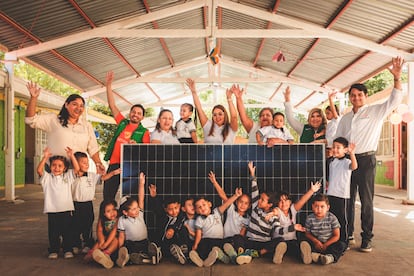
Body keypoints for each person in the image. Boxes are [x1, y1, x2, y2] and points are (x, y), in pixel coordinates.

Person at [335, 57, 404, 252]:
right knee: (346, 199)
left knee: (366, 201)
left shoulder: (375, 111)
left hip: (366, 160)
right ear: (349, 97)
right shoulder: (346, 118)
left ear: (365, 96)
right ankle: (347, 236)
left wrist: (397, 78)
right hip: (347, 162)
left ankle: (367, 238)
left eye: (359, 95)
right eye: (353, 95)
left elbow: (395, 99)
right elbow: (338, 139)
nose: (356, 98)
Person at [25, 82, 105, 174]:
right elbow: (30, 120)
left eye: (81, 106)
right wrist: (33, 98)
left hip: (78, 171)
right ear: (66, 105)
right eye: (74, 104)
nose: (78, 108)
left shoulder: (87, 126)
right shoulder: (53, 120)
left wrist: (98, 164)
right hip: (56, 170)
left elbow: (93, 148)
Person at [103, 71, 150, 201]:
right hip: (114, 165)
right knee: (108, 199)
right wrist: (108, 86)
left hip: (130, 167)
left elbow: (146, 152)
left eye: (139, 113)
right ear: (130, 113)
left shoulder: (145, 132)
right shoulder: (122, 123)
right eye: (133, 112)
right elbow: (112, 105)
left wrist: (137, 146)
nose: (135, 114)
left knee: (129, 201)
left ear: (142, 117)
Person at [71, 152, 121, 255]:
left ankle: (88, 243)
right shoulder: (73, 175)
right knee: (75, 225)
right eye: (83, 163)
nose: (87, 165)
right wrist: (72, 156)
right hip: (75, 204)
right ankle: (75, 244)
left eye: (87, 162)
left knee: (88, 224)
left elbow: (103, 177)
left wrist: (113, 173)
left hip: (88, 204)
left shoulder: (91, 175)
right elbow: (75, 169)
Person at [233, 162, 281, 265]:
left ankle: (257, 254)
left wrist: (293, 228)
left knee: (280, 240)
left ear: (269, 204)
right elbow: (254, 189)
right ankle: (241, 254)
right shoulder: (256, 207)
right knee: (237, 238)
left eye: (262, 200)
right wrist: (252, 174)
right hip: (250, 241)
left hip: (263, 244)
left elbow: (279, 230)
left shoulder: (273, 217)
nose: (259, 200)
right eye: (259, 198)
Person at [37, 146, 79, 260]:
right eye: (54, 165)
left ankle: (67, 249)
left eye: (60, 166)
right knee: (53, 233)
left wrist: (71, 156)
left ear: (65, 168)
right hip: (52, 210)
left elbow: (77, 169)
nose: (56, 168)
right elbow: (39, 170)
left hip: (65, 210)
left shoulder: (68, 177)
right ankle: (54, 250)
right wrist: (45, 157)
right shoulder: (47, 178)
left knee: (67, 232)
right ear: (50, 167)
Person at [116, 173, 162, 268]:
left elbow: (141, 198)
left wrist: (141, 184)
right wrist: (120, 248)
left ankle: (149, 256)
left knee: (150, 247)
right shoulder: (122, 220)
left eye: (137, 207)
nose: (137, 210)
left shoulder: (139, 214)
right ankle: (133, 258)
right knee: (130, 251)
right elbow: (121, 236)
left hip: (144, 242)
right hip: (131, 244)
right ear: (125, 212)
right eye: (133, 209)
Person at [269, 180, 321, 264]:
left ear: (290, 202)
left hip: (291, 240)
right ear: (277, 203)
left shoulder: (292, 209)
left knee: (297, 246)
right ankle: (278, 254)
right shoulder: (277, 211)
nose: (283, 203)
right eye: (281, 201)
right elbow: (274, 212)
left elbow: (302, 201)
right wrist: (272, 213)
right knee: (279, 245)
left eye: (286, 200)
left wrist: (312, 191)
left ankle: (304, 254)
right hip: (279, 240)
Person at [189, 188, 243, 267]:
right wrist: (195, 245)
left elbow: (227, 203)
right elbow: (198, 235)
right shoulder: (199, 220)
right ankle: (201, 260)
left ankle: (224, 255)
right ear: (197, 211)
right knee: (202, 247)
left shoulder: (217, 212)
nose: (202, 208)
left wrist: (236, 196)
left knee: (227, 243)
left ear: (209, 204)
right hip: (207, 240)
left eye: (204, 205)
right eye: (199, 207)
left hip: (219, 240)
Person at [207, 171, 251, 263]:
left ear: (249, 206)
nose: (243, 205)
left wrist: (238, 242)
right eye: (241, 202)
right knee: (220, 245)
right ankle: (230, 257)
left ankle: (238, 255)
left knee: (238, 239)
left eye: (246, 203)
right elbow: (223, 195)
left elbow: (242, 234)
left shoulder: (247, 219)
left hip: (237, 241)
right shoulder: (231, 210)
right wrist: (214, 182)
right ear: (236, 202)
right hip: (226, 240)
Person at [148, 184, 191, 265]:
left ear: (179, 206)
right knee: (156, 237)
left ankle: (182, 249)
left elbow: (179, 223)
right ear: (165, 209)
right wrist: (154, 197)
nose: (174, 211)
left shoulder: (181, 216)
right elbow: (157, 208)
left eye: (176, 208)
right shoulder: (163, 216)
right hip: (165, 242)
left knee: (183, 229)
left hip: (177, 240)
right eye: (170, 209)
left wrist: (172, 229)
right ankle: (158, 254)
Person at [326, 137, 357, 245]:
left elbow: (354, 166)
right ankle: (334, 239)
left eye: (338, 147)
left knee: (342, 220)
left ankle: (344, 240)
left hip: (342, 196)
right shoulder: (331, 161)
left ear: (345, 150)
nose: (335, 149)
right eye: (334, 147)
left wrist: (352, 153)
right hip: (330, 194)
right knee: (331, 219)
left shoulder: (347, 161)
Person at [186, 78, 238, 143]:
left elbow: (234, 117)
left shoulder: (231, 128)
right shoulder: (208, 125)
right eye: (214, 115)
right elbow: (199, 109)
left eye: (220, 114)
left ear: (225, 115)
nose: (217, 117)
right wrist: (194, 92)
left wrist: (229, 98)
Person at [302, 194, 347, 265]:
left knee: (342, 245)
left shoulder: (332, 218)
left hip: (329, 244)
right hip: (316, 244)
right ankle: (314, 256)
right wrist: (316, 241)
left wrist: (326, 244)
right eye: (316, 206)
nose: (319, 209)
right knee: (304, 242)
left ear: (328, 207)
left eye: (322, 207)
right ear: (312, 207)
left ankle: (330, 258)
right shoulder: (309, 218)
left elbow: (336, 235)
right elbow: (307, 234)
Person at [86, 200, 119, 269]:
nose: (112, 213)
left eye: (114, 209)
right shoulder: (102, 220)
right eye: (108, 211)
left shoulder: (118, 219)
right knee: (98, 243)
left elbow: (114, 231)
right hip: (106, 239)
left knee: (115, 240)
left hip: (115, 240)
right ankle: (92, 254)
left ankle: (106, 254)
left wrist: (106, 244)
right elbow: (99, 231)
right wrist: (101, 241)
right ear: (103, 213)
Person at [325, 91, 341, 156]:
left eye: (328, 113)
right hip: (327, 147)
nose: (326, 115)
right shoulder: (329, 124)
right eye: (326, 113)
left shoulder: (337, 120)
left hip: (334, 148)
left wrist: (330, 99)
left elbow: (334, 110)